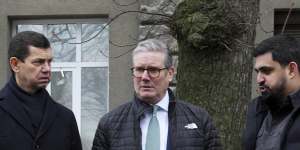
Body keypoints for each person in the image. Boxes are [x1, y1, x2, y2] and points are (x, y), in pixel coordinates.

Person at [92, 39, 222, 150]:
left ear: (170, 73)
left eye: (153, 70)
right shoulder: (109, 124)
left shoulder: (199, 119)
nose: (144, 77)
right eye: (139, 69)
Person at [0, 31, 82, 150]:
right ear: (15, 64)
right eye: (38, 62)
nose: (47, 69)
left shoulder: (65, 117)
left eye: (49, 62)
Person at [243, 35, 300, 150]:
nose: (259, 79)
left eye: (266, 71)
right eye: (257, 72)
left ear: (291, 70)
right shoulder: (257, 110)